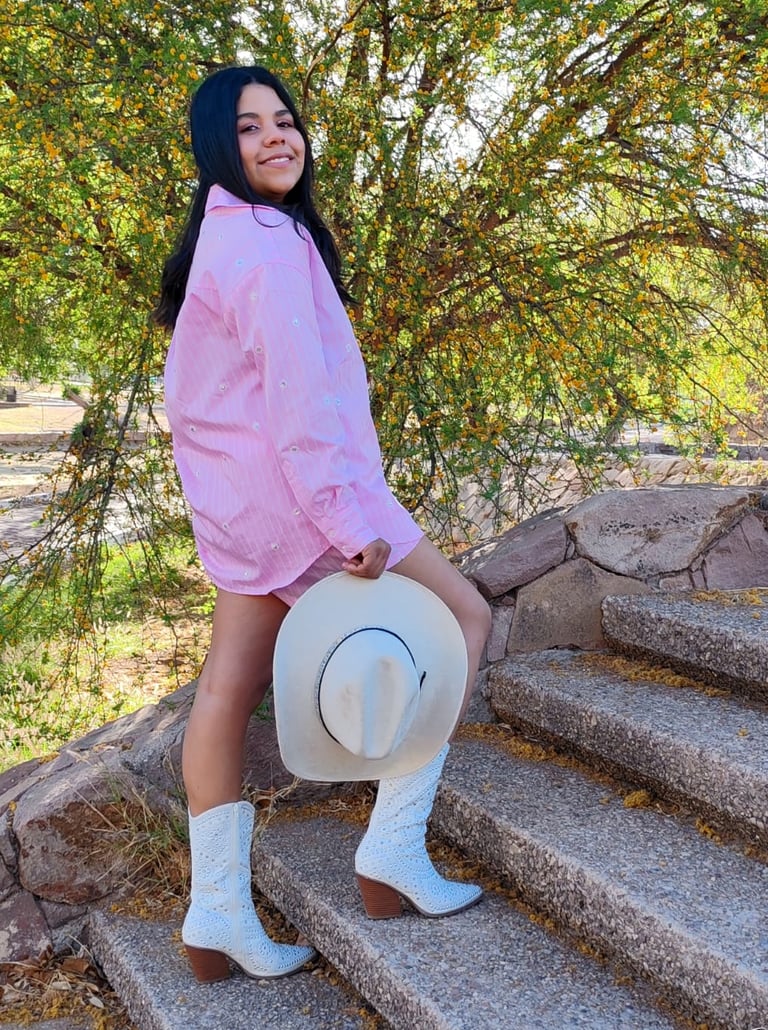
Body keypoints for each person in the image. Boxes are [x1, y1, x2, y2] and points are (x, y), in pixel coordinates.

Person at [154, 64, 491, 985]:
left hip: (245, 511)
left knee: (225, 694)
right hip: (311, 501)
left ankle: (217, 913)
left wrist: (237, 513)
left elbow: (199, 404)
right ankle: (395, 847)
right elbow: (300, 402)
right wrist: (345, 520)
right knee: (464, 620)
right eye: (249, 126)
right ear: (217, 147)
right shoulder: (266, 244)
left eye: (284, 120)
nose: (276, 137)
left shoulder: (225, 236)